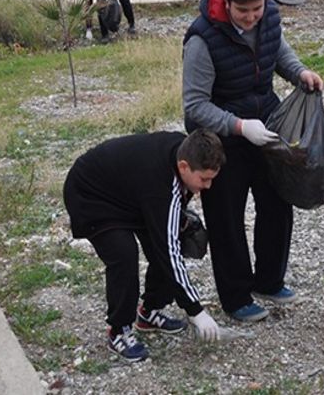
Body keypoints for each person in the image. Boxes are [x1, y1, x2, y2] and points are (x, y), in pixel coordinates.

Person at [182, 0, 324, 322]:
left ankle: (270, 280)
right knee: (227, 217)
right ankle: (236, 296)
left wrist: (300, 73)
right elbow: (195, 105)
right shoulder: (203, 38)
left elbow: (278, 52)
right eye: (243, 11)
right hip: (221, 139)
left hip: (267, 123)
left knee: (278, 202)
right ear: (226, 1)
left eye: (257, 9)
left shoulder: (269, 17)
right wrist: (239, 126)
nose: (251, 17)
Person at [63, 129, 226, 362]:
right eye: (204, 179)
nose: (208, 186)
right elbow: (168, 251)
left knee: (170, 240)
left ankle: (150, 311)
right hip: (91, 194)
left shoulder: (187, 151)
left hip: (132, 196)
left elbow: (167, 241)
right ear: (183, 167)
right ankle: (119, 330)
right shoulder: (162, 184)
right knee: (124, 255)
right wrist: (196, 311)